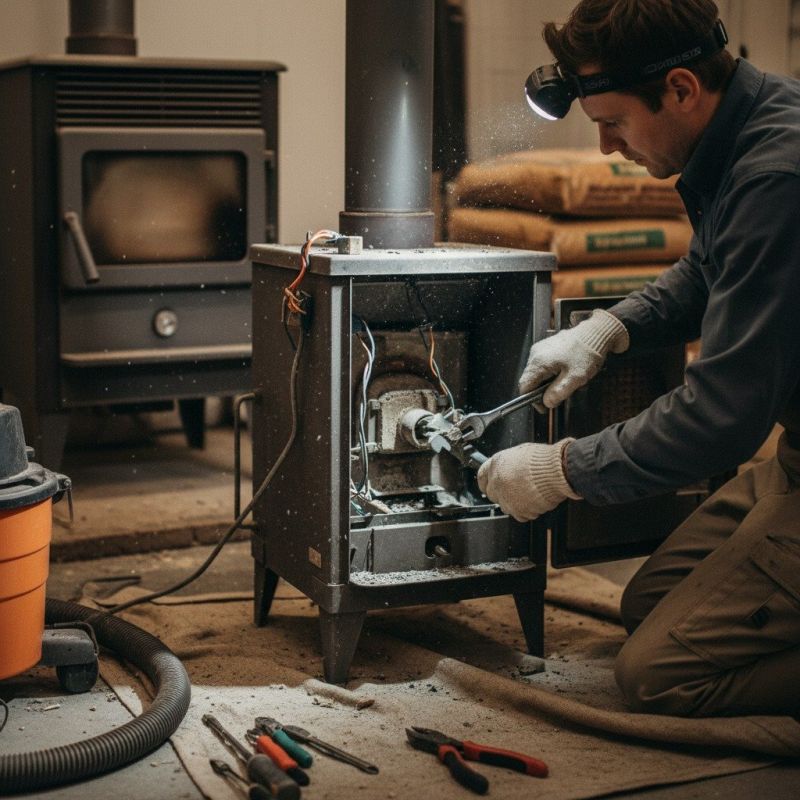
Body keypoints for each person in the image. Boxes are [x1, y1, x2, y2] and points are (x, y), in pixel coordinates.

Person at [477, 0, 800, 718]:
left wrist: (561, 472)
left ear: (681, 89)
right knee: (647, 606)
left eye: (613, 124)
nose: (607, 151)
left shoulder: (779, 175)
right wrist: (609, 329)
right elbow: (711, 267)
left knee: (658, 676)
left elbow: (721, 420)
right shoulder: (748, 124)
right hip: (795, 465)